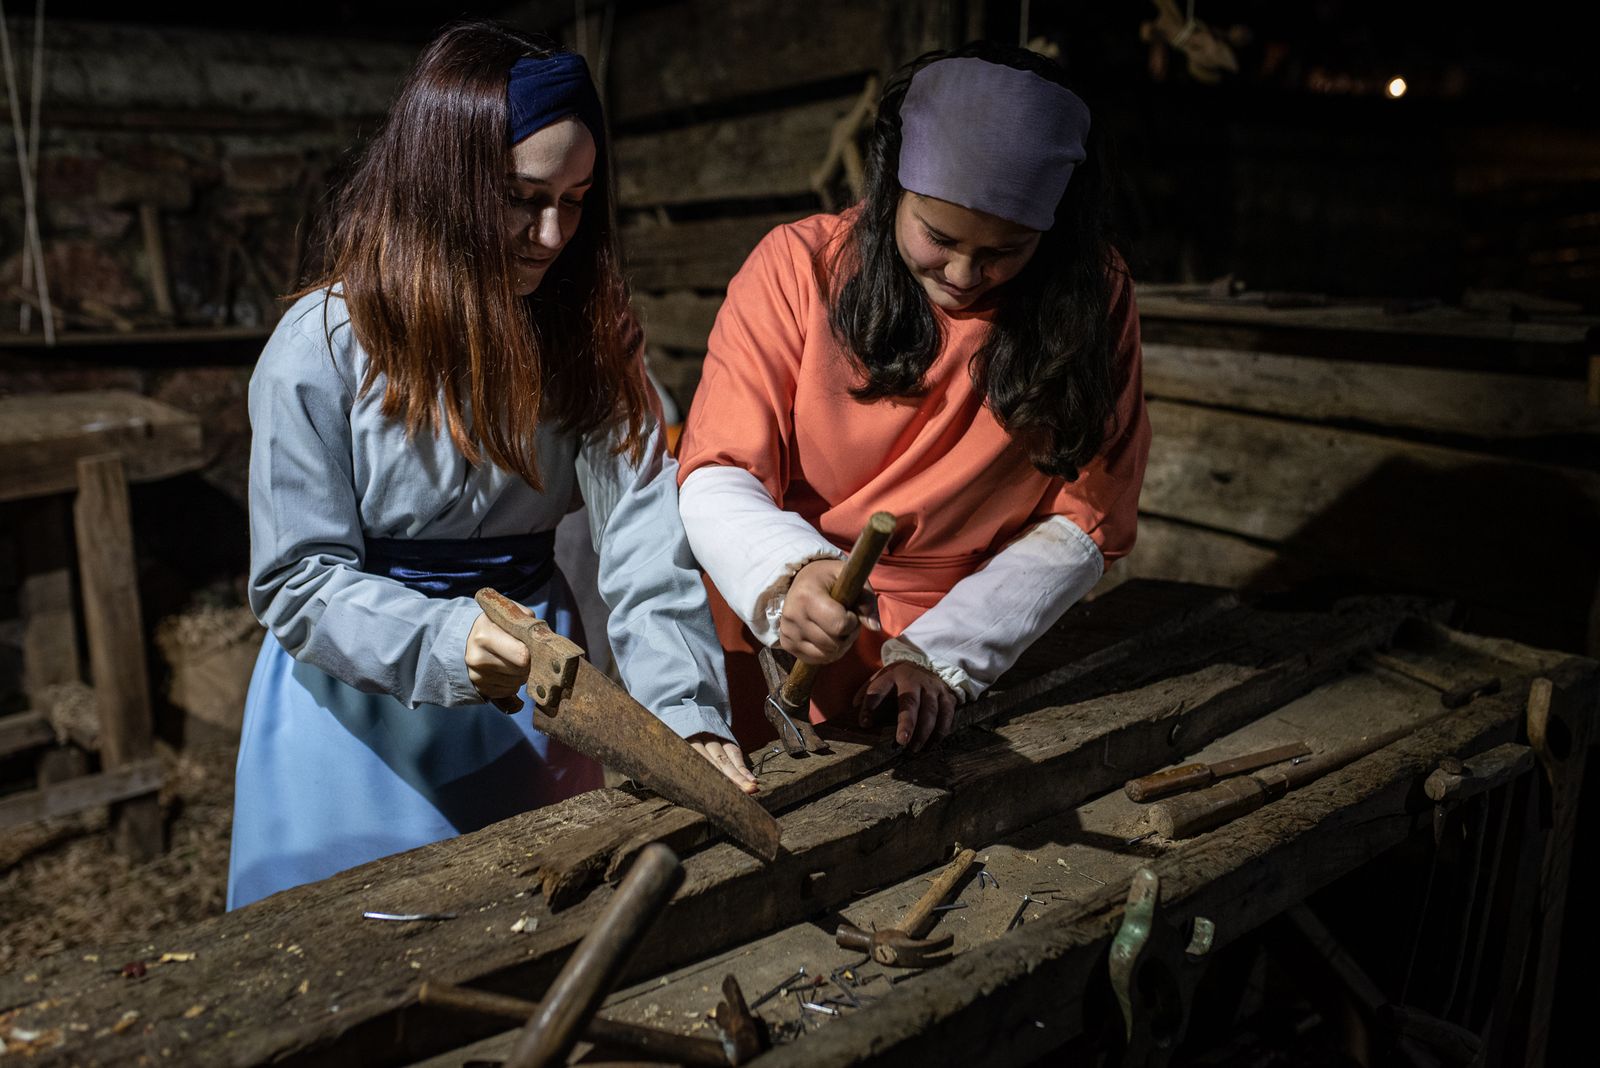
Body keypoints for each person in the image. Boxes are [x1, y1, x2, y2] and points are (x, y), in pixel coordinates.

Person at [228, 21, 753, 910]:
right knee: (347, 945)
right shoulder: (323, 346)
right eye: (521, 198)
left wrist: (686, 721)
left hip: (532, 696)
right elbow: (297, 580)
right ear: (443, 185)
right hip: (355, 714)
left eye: (576, 201)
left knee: (529, 928)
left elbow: (644, 549)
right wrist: (445, 640)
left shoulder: (588, 345)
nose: (552, 234)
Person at [676, 43, 1151, 754]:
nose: (963, 273)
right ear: (894, 182)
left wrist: (942, 653)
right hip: (791, 615)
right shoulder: (799, 268)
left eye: (1005, 250)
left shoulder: (1091, 298)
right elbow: (716, 470)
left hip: (976, 634)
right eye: (938, 236)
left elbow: (1089, 515)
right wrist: (791, 578)